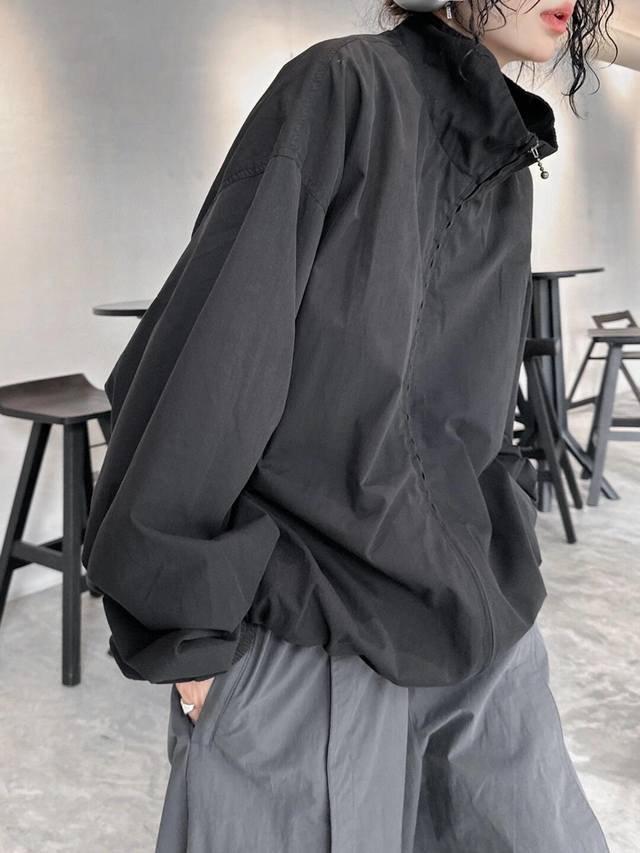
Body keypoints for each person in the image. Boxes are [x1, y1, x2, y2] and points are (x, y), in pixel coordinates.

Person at [81, 2, 616, 850]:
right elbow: (211, 357)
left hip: (474, 609)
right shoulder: (343, 87)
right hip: (317, 624)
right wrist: (190, 641)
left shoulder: (506, 158)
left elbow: (461, 410)